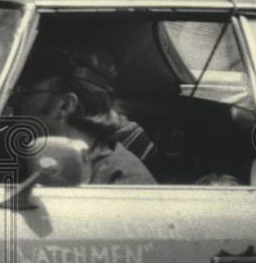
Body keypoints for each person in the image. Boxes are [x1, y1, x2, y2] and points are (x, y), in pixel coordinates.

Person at [10, 44, 156, 185]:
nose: (13, 102)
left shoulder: (125, 185)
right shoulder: (20, 154)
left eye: (25, 93)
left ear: (65, 106)